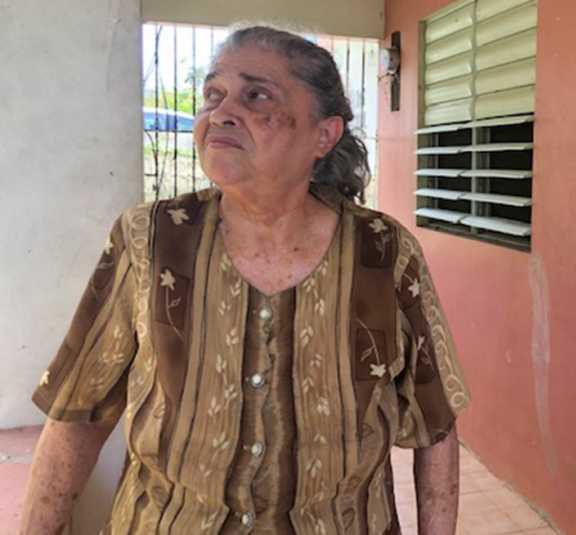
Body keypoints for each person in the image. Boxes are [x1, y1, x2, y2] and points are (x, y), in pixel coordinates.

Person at [19, 25, 469, 535]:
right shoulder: (150, 240)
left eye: (256, 96)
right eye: (213, 95)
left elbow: (436, 424)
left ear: (324, 135)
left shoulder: (383, 252)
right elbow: (78, 411)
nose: (220, 113)